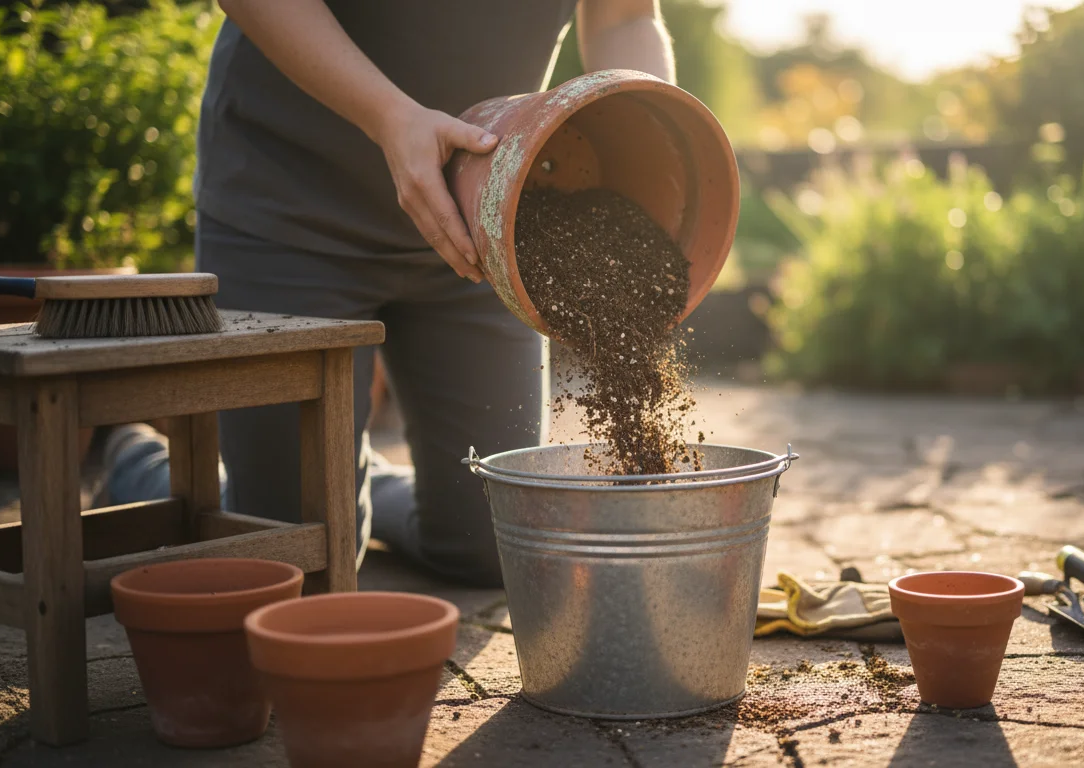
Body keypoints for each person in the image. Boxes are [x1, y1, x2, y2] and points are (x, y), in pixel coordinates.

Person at [98, 0, 677, 588]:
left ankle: (358, 484)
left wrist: (656, 127)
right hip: (289, 215)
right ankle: (137, 462)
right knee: (298, 564)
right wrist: (390, 115)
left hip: (482, 228)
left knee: (499, 548)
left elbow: (623, 17)